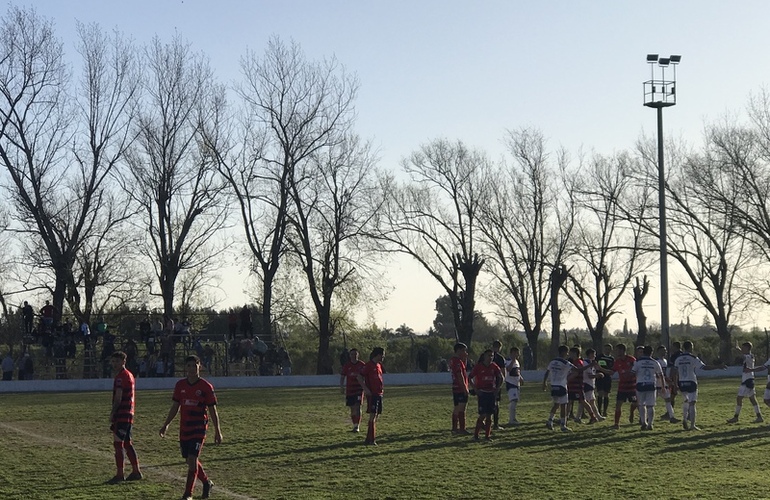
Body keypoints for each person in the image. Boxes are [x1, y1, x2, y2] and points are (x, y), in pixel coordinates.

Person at [160, 355, 222, 500]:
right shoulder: (180, 385)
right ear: (185, 368)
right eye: (189, 366)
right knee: (189, 460)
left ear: (200, 366)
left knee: (193, 458)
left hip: (199, 428)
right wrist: (166, 424)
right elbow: (175, 406)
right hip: (184, 428)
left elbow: (213, 410)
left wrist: (218, 430)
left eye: (195, 365)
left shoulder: (206, 387)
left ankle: (188, 494)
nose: (192, 368)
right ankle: (206, 482)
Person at [673, 340, 725, 431]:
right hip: (691, 381)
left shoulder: (678, 358)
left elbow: (674, 372)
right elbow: (704, 367)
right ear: (690, 347)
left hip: (681, 382)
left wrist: (675, 383)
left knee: (685, 401)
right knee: (692, 403)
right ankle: (692, 425)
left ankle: (684, 419)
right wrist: (718, 366)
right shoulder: (693, 358)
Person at [108, 351, 143, 483]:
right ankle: (136, 471)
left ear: (124, 361)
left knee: (118, 444)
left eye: (117, 361)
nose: (115, 364)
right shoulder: (129, 375)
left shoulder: (120, 377)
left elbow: (118, 397)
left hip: (122, 413)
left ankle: (119, 474)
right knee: (127, 443)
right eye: (113, 361)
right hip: (129, 413)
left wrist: (113, 413)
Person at [543, 345, 587, 432]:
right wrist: (590, 365)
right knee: (564, 406)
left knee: (556, 405)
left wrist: (544, 382)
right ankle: (563, 425)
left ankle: (550, 421)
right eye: (567, 352)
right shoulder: (565, 362)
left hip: (553, 386)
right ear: (563, 352)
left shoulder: (552, 361)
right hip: (562, 386)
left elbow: (547, 372)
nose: (568, 354)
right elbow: (577, 370)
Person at [596, 343, 637, 430]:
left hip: (632, 386)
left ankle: (632, 412)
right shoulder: (617, 362)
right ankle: (616, 424)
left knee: (635, 403)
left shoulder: (631, 359)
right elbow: (611, 372)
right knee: (618, 405)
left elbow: (636, 369)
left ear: (622, 350)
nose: (616, 352)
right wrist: (600, 369)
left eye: (618, 350)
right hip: (622, 387)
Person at [470, 349, 504, 441]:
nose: (490, 357)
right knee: (483, 414)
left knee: (489, 415)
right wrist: (476, 389)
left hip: (491, 393)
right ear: (484, 356)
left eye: (492, 356)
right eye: (489, 355)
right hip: (482, 393)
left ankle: (487, 436)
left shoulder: (494, 366)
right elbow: (469, 377)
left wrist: (497, 389)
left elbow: (501, 377)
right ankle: (476, 435)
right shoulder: (478, 367)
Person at [726, 342, 764, 424]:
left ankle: (736, 417)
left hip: (747, 381)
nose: (742, 350)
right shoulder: (749, 356)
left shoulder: (748, 357)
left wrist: (737, 350)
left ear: (747, 348)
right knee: (752, 399)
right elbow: (744, 355)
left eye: (743, 348)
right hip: (749, 380)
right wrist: (738, 349)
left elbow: (743, 356)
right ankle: (759, 416)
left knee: (739, 398)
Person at [632, 345, 665, 431]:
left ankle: (643, 422)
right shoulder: (655, 362)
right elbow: (661, 375)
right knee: (650, 406)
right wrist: (663, 386)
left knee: (641, 405)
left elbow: (633, 372)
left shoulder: (638, 362)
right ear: (651, 352)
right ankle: (650, 424)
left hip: (640, 385)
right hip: (651, 385)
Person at [357, 347, 385, 445]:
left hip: (379, 393)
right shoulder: (368, 365)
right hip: (372, 394)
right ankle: (371, 439)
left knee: (376, 416)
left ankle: (369, 438)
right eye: (382, 355)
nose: (383, 357)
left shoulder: (379, 365)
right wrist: (365, 389)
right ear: (378, 355)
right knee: (372, 415)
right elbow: (359, 377)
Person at [340, 348, 366, 432]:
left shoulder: (362, 365)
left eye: (355, 354)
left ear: (358, 355)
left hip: (359, 389)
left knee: (358, 406)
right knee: (352, 408)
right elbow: (343, 376)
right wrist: (341, 386)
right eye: (352, 354)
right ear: (349, 355)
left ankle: (357, 426)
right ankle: (354, 424)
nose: (353, 356)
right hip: (350, 389)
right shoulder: (347, 366)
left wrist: (365, 385)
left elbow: (366, 375)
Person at [449, 342, 470, 434]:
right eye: (464, 351)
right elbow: (459, 374)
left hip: (455, 387)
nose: (465, 352)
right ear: (459, 351)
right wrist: (465, 387)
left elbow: (463, 368)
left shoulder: (454, 360)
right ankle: (462, 428)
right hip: (460, 388)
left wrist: (465, 359)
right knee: (462, 408)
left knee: (456, 408)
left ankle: (454, 428)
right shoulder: (457, 362)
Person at [654, 345, 679, 423]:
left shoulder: (665, 361)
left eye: (665, 350)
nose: (665, 352)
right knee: (651, 402)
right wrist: (666, 379)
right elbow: (657, 373)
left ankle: (671, 417)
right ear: (658, 351)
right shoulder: (656, 361)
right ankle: (646, 418)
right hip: (656, 384)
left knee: (668, 400)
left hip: (664, 384)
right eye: (663, 350)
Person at [504, 346, 524, 426]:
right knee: (513, 400)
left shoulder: (517, 362)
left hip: (516, 384)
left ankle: (513, 418)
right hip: (510, 383)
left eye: (518, 353)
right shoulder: (507, 361)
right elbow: (508, 369)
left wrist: (520, 378)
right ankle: (511, 420)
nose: (517, 355)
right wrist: (512, 361)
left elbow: (517, 371)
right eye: (515, 353)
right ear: (511, 353)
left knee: (515, 401)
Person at [595, 343, 614, 418]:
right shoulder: (599, 357)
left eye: (609, 349)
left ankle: (605, 411)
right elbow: (597, 366)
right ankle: (599, 410)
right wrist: (603, 370)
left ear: (611, 350)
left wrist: (607, 371)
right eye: (606, 349)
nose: (607, 350)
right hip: (600, 377)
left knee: (606, 394)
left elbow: (612, 369)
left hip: (607, 378)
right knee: (600, 393)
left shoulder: (612, 359)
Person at [491, 340, 506, 429]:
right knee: (496, 403)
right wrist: (501, 383)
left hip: (486, 383)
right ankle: (495, 424)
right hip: (496, 383)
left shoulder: (484, 355)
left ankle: (483, 422)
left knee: (486, 402)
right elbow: (503, 372)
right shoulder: (500, 358)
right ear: (500, 348)